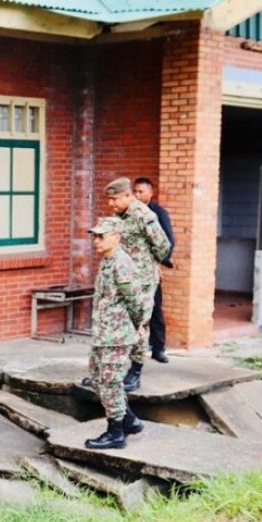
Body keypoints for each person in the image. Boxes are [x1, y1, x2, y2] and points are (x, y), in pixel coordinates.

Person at [105, 177, 171, 392]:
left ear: (127, 196)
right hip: (122, 278)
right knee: (116, 323)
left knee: (139, 326)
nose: (111, 204)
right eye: (109, 200)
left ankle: (134, 373)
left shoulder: (144, 215)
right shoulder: (119, 214)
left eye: (114, 199)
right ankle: (110, 373)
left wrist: (150, 266)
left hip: (141, 281)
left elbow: (163, 245)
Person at [84, 216, 145, 450]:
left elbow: (136, 302)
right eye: (95, 236)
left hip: (116, 336)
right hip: (103, 334)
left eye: (101, 236)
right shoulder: (107, 261)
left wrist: (138, 326)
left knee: (110, 382)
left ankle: (116, 432)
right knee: (98, 380)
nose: (96, 241)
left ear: (116, 238)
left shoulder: (122, 263)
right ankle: (129, 419)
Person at [133, 177, 174, 364]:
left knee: (155, 308)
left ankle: (158, 348)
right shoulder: (130, 213)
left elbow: (167, 242)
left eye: (141, 191)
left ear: (151, 193)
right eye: (135, 191)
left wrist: (158, 263)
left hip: (151, 269)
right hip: (132, 269)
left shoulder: (158, 213)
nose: (137, 195)